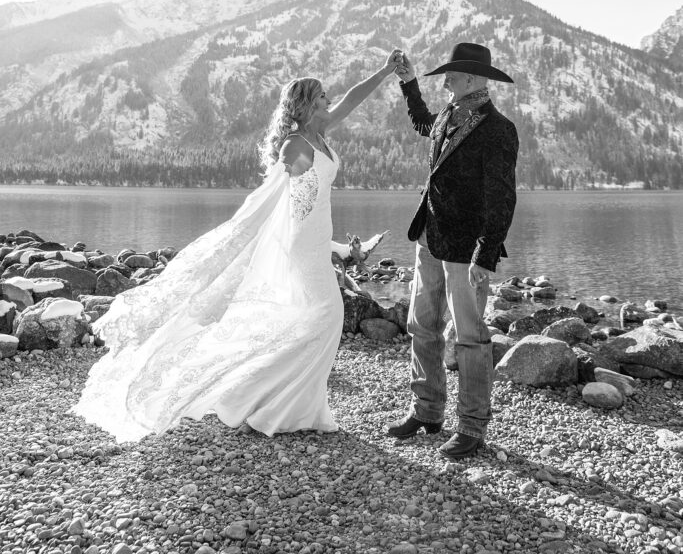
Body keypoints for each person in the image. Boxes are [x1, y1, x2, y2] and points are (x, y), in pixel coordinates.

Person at [72, 51, 403, 442]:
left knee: (311, 323)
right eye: (321, 96)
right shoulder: (296, 144)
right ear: (307, 104)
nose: (329, 100)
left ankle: (281, 403)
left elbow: (352, 98)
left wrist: (384, 70)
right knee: (327, 318)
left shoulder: (320, 131)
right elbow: (281, 202)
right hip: (302, 246)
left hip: (316, 241)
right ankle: (273, 404)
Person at [388, 42, 518, 460]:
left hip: (466, 249)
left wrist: (487, 252)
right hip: (429, 235)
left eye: (452, 76)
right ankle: (427, 411)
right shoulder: (448, 113)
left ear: (474, 80)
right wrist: (409, 84)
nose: (445, 81)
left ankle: (472, 426)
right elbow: (425, 125)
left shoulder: (499, 129)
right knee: (421, 325)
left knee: (469, 338)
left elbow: (501, 196)